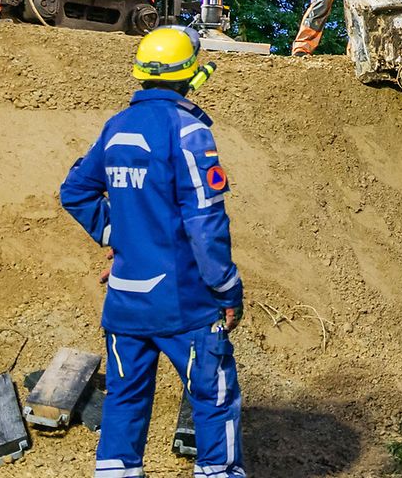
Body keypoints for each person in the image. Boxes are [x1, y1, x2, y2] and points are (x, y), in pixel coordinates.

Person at [60, 26, 247, 478]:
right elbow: (205, 224)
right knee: (214, 396)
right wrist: (227, 289)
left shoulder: (117, 127)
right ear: (191, 75)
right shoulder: (189, 131)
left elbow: (75, 191)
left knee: (124, 399)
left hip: (125, 303)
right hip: (185, 304)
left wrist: (119, 237)